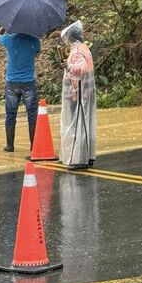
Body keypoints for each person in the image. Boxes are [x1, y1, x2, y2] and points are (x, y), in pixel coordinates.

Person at [0, 27, 41, 154]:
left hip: (12, 83)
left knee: (10, 114)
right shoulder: (35, 40)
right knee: (32, 114)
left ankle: (10, 145)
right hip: (29, 82)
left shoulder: (8, 39)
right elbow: (37, 54)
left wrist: (3, 28)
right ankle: (33, 145)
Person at [60, 20, 97, 170]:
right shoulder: (84, 48)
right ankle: (87, 155)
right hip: (86, 92)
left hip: (80, 92)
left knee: (77, 124)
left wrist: (68, 66)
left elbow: (81, 69)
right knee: (85, 124)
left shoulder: (77, 51)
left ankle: (77, 158)